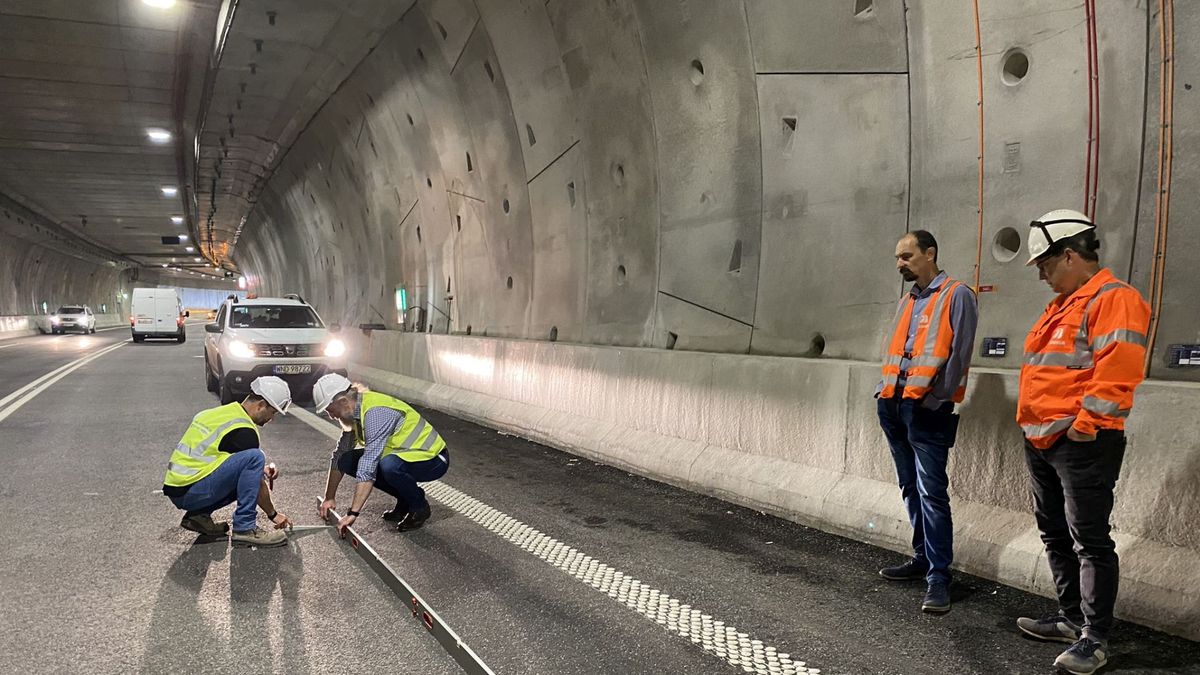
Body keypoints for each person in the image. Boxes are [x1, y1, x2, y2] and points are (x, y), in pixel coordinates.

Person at [1014, 210, 1151, 675]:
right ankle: (1073, 619)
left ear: (1070, 255)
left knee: (1089, 540)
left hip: (1082, 443)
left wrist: (1084, 427)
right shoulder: (1064, 304)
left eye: (1045, 264)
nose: (1041, 274)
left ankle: (1095, 638)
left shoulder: (1114, 299)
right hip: (1044, 440)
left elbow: (1118, 373)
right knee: (1055, 533)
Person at [875, 230, 978, 614]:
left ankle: (939, 577)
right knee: (909, 487)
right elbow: (897, 350)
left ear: (929, 253)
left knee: (932, 493)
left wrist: (936, 400)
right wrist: (882, 391)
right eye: (898, 258)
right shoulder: (908, 300)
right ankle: (921, 559)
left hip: (927, 410)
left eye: (906, 256)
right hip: (893, 405)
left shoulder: (958, 295)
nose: (900, 263)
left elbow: (959, 355)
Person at [163, 376, 294, 547]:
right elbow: (256, 483)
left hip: (179, 488)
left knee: (252, 467)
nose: (272, 418)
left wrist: (260, 470)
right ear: (261, 405)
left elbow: (220, 460)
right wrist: (273, 514)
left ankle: (198, 516)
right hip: (191, 492)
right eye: (273, 412)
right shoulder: (245, 430)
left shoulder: (219, 413)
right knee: (256, 457)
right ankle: (245, 528)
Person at [313, 373, 449, 535]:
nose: (331, 416)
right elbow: (340, 454)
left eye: (330, 410)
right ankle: (406, 499)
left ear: (343, 402)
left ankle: (419, 507)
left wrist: (353, 513)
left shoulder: (375, 413)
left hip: (432, 458)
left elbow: (369, 464)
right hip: (405, 456)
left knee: (388, 466)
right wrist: (329, 497)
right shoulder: (354, 413)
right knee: (347, 460)